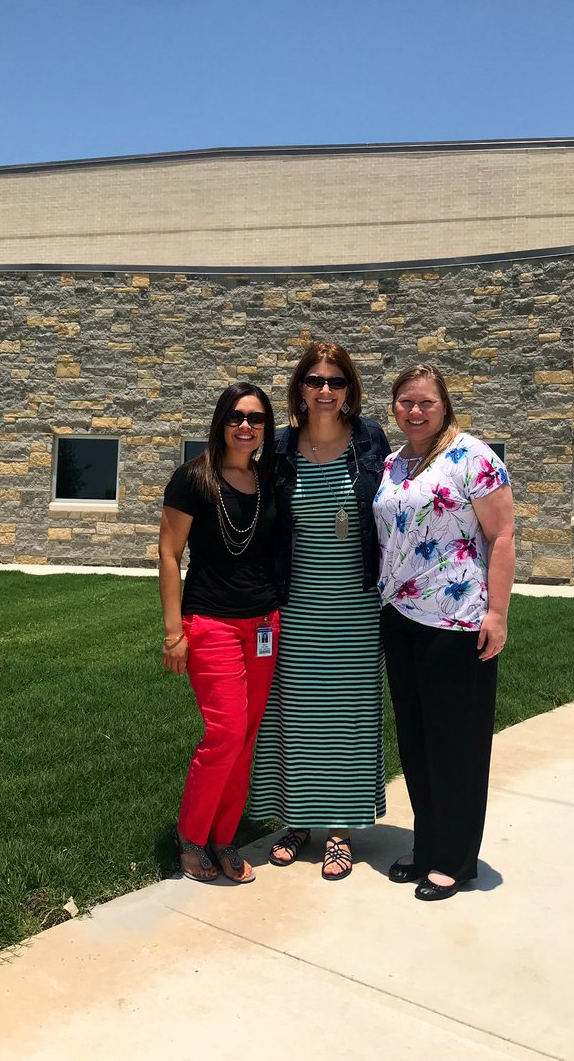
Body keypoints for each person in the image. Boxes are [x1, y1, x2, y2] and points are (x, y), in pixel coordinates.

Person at [374, 362, 515, 902]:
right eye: (406, 402)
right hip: (401, 617)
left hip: (457, 619)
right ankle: (428, 843)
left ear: (444, 406)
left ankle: (456, 860)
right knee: (416, 738)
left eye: (425, 402)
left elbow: (502, 535)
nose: (415, 410)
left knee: (456, 741)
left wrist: (497, 614)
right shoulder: (393, 463)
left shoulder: (472, 457)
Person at [249, 343, 390, 880]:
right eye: (315, 380)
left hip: (356, 606)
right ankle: (296, 822)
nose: (325, 391)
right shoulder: (280, 447)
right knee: (297, 717)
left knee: (348, 720)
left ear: (350, 389)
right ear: (300, 389)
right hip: (298, 604)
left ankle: (339, 830)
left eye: (335, 381)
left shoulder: (370, 439)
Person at [158, 381, 279, 884]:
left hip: (264, 624)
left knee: (245, 739)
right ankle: (191, 836)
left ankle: (224, 836)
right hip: (210, 622)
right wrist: (172, 633)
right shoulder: (192, 479)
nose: (245, 426)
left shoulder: (269, 478)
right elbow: (168, 553)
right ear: (220, 422)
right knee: (224, 732)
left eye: (255, 418)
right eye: (235, 416)